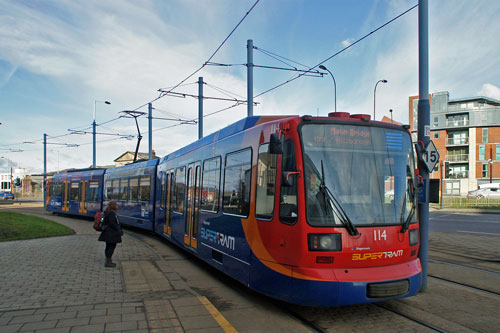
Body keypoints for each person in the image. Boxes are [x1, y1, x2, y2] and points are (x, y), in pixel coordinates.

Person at [98, 201, 123, 267]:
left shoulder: (106, 212)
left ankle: (108, 260)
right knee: (111, 247)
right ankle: (108, 262)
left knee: (108, 246)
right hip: (112, 233)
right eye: (116, 205)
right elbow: (113, 223)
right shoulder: (112, 213)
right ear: (114, 206)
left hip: (107, 233)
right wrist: (119, 230)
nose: (117, 206)